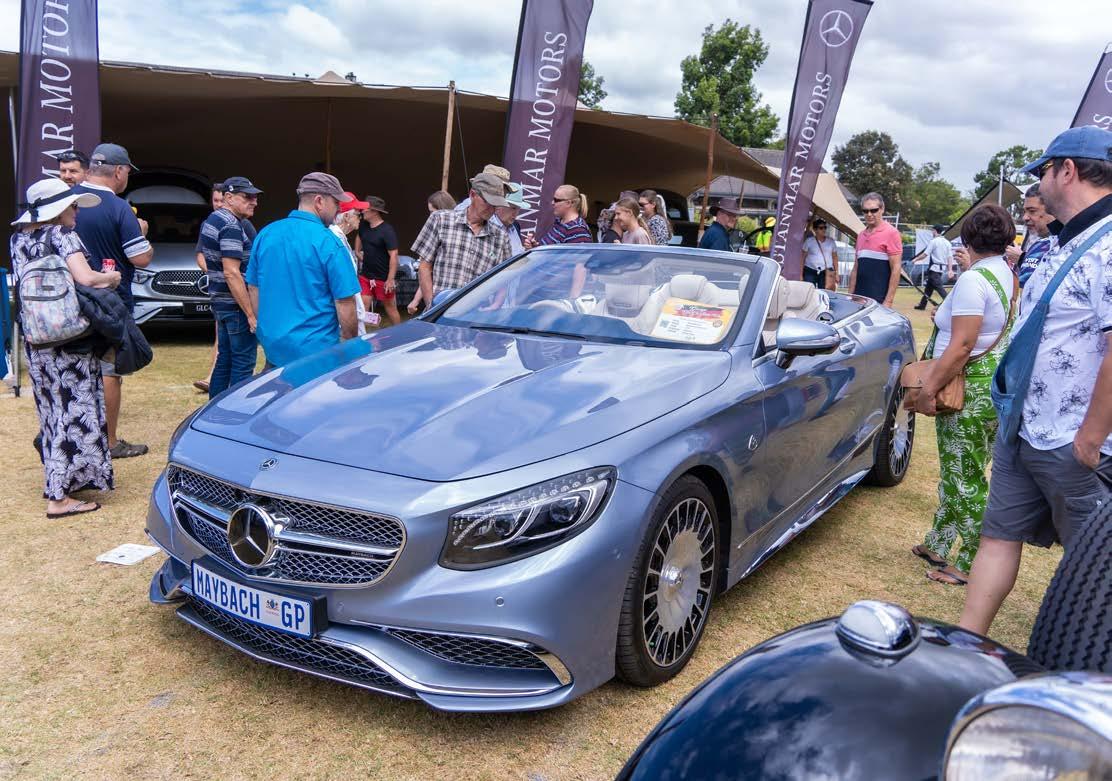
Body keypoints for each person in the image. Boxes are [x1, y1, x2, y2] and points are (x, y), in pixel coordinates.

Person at [959, 126, 1112, 636]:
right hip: (1024, 427)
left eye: (1043, 171)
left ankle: (1084, 670)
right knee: (998, 536)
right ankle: (966, 646)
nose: (1038, 185)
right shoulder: (1063, 240)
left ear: (1068, 170)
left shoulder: (1108, 244)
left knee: (1094, 566)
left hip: (1073, 440)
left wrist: (1090, 438)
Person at [911, 205, 1018, 586]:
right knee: (961, 470)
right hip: (989, 388)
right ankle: (939, 541)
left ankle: (971, 561)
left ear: (969, 238)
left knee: (964, 478)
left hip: (965, 388)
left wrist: (928, 389)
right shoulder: (1006, 272)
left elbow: (962, 345)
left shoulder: (974, 279)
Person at [10, 178, 120, 517]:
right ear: (57, 210)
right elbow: (86, 278)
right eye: (72, 205)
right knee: (72, 412)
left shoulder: (18, 239)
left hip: (37, 338)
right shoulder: (62, 235)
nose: (76, 211)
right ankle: (58, 498)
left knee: (51, 411)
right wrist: (111, 278)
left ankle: (64, 480)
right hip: (68, 337)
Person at [71, 143, 153, 458]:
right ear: (119, 171)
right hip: (109, 300)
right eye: (128, 172)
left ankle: (77, 435)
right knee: (109, 370)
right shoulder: (119, 208)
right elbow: (141, 258)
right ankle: (109, 441)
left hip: (70, 299)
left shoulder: (67, 200)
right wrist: (143, 233)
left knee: (76, 368)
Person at [246, 172, 361, 368]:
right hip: (317, 354)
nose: (339, 209)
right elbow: (345, 302)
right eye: (336, 203)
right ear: (319, 201)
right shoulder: (329, 242)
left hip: (274, 349)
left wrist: (266, 332)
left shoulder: (266, 234)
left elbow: (254, 288)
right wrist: (350, 347)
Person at [199, 176, 261, 397]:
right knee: (243, 363)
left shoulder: (213, 219)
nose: (254, 202)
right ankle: (236, 411)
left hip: (222, 303)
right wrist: (250, 314)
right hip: (236, 307)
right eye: (247, 197)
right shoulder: (231, 225)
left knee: (224, 359)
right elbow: (231, 272)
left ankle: (213, 410)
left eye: (255, 197)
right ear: (228, 197)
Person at [412, 172, 512, 304]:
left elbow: (504, 277)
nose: (491, 208)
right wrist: (431, 304)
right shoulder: (441, 220)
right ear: (472, 195)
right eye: (487, 202)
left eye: (496, 204)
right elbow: (424, 267)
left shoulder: (501, 237)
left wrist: (496, 305)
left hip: (476, 311)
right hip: (440, 307)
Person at [354, 195, 401, 326]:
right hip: (366, 276)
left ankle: (401, 332)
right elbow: (359, 236)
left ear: (374, 211)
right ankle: (361, 334)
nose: (362, 211)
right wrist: (357, 251)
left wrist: (390, 279)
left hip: (383, 278)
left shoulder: (387, 230)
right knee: (363, 306)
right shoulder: (363, 225)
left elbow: (394, 255)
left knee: (390, 308)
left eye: (365, 209)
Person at [849, 192, 902, 306]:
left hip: (878, 301)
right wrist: (850, 296)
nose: (869, 214)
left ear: (882, 209)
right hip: (858, 300)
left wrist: (888, 301)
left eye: (873, 210)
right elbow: (856, 268)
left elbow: (896, 269)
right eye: (865, 211)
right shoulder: (861, 235)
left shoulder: (892, 233)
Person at [1005, 184, 1057, 287]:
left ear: (1051, 208)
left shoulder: (1066, 244)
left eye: (1032, 211)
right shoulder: (1040, 243)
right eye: (1025, 211)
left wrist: (1022, 259)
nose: (1025, 217)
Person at [330, 196, 368, 335]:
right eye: (358, 214)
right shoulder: (334, 240)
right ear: (346, 216)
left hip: (350, 313)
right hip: (343, 318)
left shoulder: (340, 238)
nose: (360, 218)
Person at [525, 184, 593, 247]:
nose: (552, 202)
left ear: (568, 203)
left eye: (556, 200)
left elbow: (581, 256)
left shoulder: (578, 230)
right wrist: (536, 247)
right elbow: (552, 251)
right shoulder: (560, 221)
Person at [915, 224, 954, 309]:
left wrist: (915, 260)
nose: (932, 232)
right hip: (941, 269)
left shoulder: (934, 241)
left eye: (932, 230)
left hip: (934, 268)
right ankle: (922, 305)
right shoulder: (947, 243)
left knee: (939, 287)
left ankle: (950, 304)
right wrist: (950, 270)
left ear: (935, 231)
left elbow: (925, 254)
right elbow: (950, 257)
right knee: (929, 288)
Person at [801, 218, 838, 290]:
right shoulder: (809, 241)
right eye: (821, 228)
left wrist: (837, 273)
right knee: (809, 291)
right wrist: (800, 275)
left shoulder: (831, 242)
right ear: (815, 230)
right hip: (810, 270)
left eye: (825, 227)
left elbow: (835, 258)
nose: (824, 230)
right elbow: (802, 258)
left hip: (826, 271)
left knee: (825, 292)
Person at [493, 185, 527, 255]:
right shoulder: (487, 226)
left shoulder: (515, 225)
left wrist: (528, 250)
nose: (516, 213)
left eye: (518, 209)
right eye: (513, 208)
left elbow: (518, 254)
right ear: (498, 205)